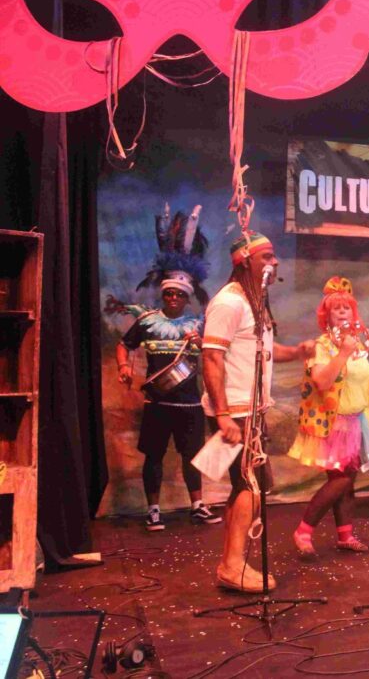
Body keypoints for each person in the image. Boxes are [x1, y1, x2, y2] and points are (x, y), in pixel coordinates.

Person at [202, 231, 314, 592]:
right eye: (266, 256)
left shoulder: (254, 302)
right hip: (235, 409)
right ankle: (232, 565)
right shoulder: (229, 302)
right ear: (245, 261)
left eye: (274, 256)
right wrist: (223, 415)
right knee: (253, 484)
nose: (275, 262)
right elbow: (212, 357)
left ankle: (231, 561)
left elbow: (262, 350)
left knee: (246, 485)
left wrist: (296, 352)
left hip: (249, 409)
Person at [288, 278, 369, 557]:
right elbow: (322, 382)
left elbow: (361, 379)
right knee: (341, 480)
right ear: (326, 315)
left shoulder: (357, 344)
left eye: (346, 307)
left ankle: (345, 535)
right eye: (336, 308)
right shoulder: (322, 346)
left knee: (347, 480)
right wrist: (344, 352)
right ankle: (303, 530)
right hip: (334, 423)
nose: (342, 312)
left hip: (358, 420)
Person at [116, 271, 221, 531]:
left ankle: (197, 506)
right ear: (163, 295)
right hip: (157, 404)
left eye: (180, 294)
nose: (174, 298)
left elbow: (215, 355)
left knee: (192, 456)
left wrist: (201, 343)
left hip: (190, 404)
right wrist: (123, 366)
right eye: (169, 293)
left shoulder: (198, 324)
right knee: (154, 456)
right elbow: (123, 345)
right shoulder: (148, 321)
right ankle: (153, 511)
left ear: (187, 298)